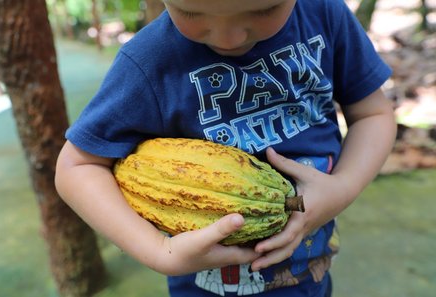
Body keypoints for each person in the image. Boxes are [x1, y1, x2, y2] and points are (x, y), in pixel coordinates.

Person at [55, 0, 397, 296]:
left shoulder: (324, 15)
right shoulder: (150, 61)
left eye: (264, 9)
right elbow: (78, 167)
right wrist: (159, 252)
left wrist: (344, 187)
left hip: (313, 276)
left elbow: (373, 114)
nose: (228, 38)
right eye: (191, 11)